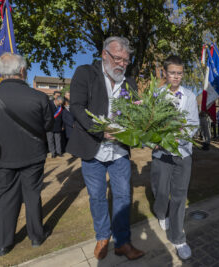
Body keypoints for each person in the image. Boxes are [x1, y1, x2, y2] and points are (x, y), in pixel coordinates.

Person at [66, 36, 144, 261]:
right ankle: (102, 237)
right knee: (97, 196)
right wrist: (101, 131)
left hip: (119, 150)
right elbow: (76, 107)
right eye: (117, 58)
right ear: (104, 54)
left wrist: (141, 115)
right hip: (93, 149)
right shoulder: (85, 73)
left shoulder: (129, 83)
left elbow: (135, 115)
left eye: (126, 60)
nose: (121, 64)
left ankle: (122, 242)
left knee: (123, 196)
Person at [0, 52, 53, 256]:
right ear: (22, 70)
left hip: (3, 157)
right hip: (33, 154)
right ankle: (36, 236)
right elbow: (48, 124)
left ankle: (2, 244)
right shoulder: (39, 96)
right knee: (32, 195)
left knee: (4, 198)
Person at [150, 55, 199, 260]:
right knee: (161, 192)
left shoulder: (190, 96)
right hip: (161, 153)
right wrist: (156, 139)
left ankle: (178, 238)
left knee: (179, 196)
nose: (176, 76)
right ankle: (161, 213)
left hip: (183, 153)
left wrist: (180, 136)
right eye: (172, 73)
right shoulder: (156, 95)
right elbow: (148, 123)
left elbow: (194, 124)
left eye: (179, 73)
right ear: (165, 73)